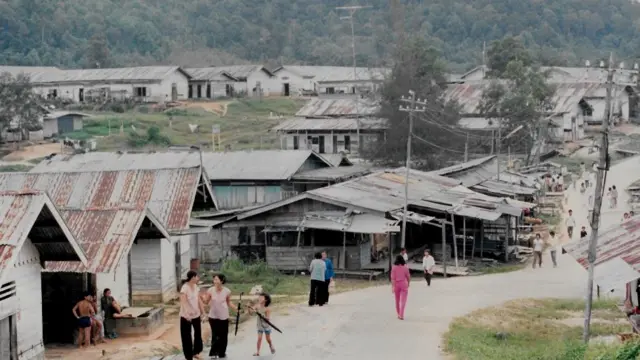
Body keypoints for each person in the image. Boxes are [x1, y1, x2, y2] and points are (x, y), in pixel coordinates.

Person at [204, 273, 237, 359]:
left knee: (223, 335)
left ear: (221, 281)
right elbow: (206, 302)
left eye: (216, 279)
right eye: (214, 279)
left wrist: (236, 308)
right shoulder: (210, 290)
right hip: (213, 316)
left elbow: (229, 302)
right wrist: (201, 298)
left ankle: (222, 352)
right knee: (215, 334)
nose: (214, 281)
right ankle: (213, 353)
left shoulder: (227, 291)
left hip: (224, 316)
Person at [179, 270, 205, 360]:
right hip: (186, 316)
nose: (198, 278)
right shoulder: (184, 288)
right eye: (197, 276)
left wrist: (203, 312)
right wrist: (187, 314)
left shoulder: (196, 286)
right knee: (186, 336)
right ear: (193, 277)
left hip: (196, 314)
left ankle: (196, 352)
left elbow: (199, 300)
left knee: (198, 334)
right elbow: (183, 302)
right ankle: (188, 356)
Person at [391, 255, 410, 320]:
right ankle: (401, 315)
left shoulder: (394, 267)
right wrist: (408, 283)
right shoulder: (405, 267)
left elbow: (393, 279)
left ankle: (399, 314)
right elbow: (408, 277)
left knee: (397, 300)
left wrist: (393, 287)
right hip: (404, 284)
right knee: (403, 300)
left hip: (396, 284)